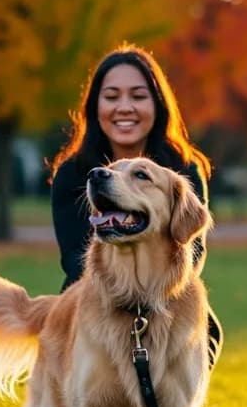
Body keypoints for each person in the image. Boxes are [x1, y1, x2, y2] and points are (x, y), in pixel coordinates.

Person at [48, 43, 222, 361]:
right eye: (111, 96)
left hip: (168, 300)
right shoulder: (73, 174)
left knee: (203, 330)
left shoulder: (183, 168)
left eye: (138, 96)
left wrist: (150, 298)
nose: (124, 107)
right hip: (94, 301)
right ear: (94, 107)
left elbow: (191, 250)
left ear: (157, 105)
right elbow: (75, 261)